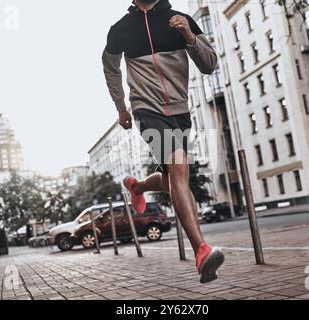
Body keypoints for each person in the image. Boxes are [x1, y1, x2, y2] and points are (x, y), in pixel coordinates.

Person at [102, 0, 224, 284]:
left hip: (180, 111)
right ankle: (201, 250)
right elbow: (110, 67)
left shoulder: (180, 19)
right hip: (147, 110)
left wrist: (190, 38)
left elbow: (210, 64)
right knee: (180, 170)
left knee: (174, 178)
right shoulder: (121, 29)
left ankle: (139, 186)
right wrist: (121, 106)